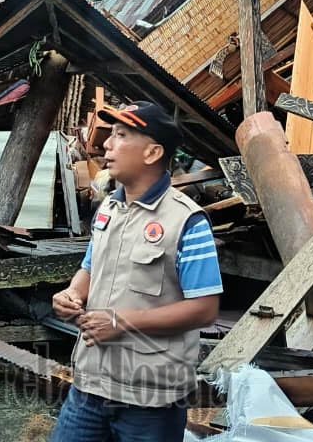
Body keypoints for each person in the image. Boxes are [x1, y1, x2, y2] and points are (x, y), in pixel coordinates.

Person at [50, 101, 223, 442]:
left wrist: (121, 322)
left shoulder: (186, 221)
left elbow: (204, 310)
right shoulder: (109, 209)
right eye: (111, 135)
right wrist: (71, 294)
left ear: (152, 152)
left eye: (121, 135)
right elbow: (89, 267)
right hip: (90, 385)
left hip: (151, 397)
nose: (107, 145)